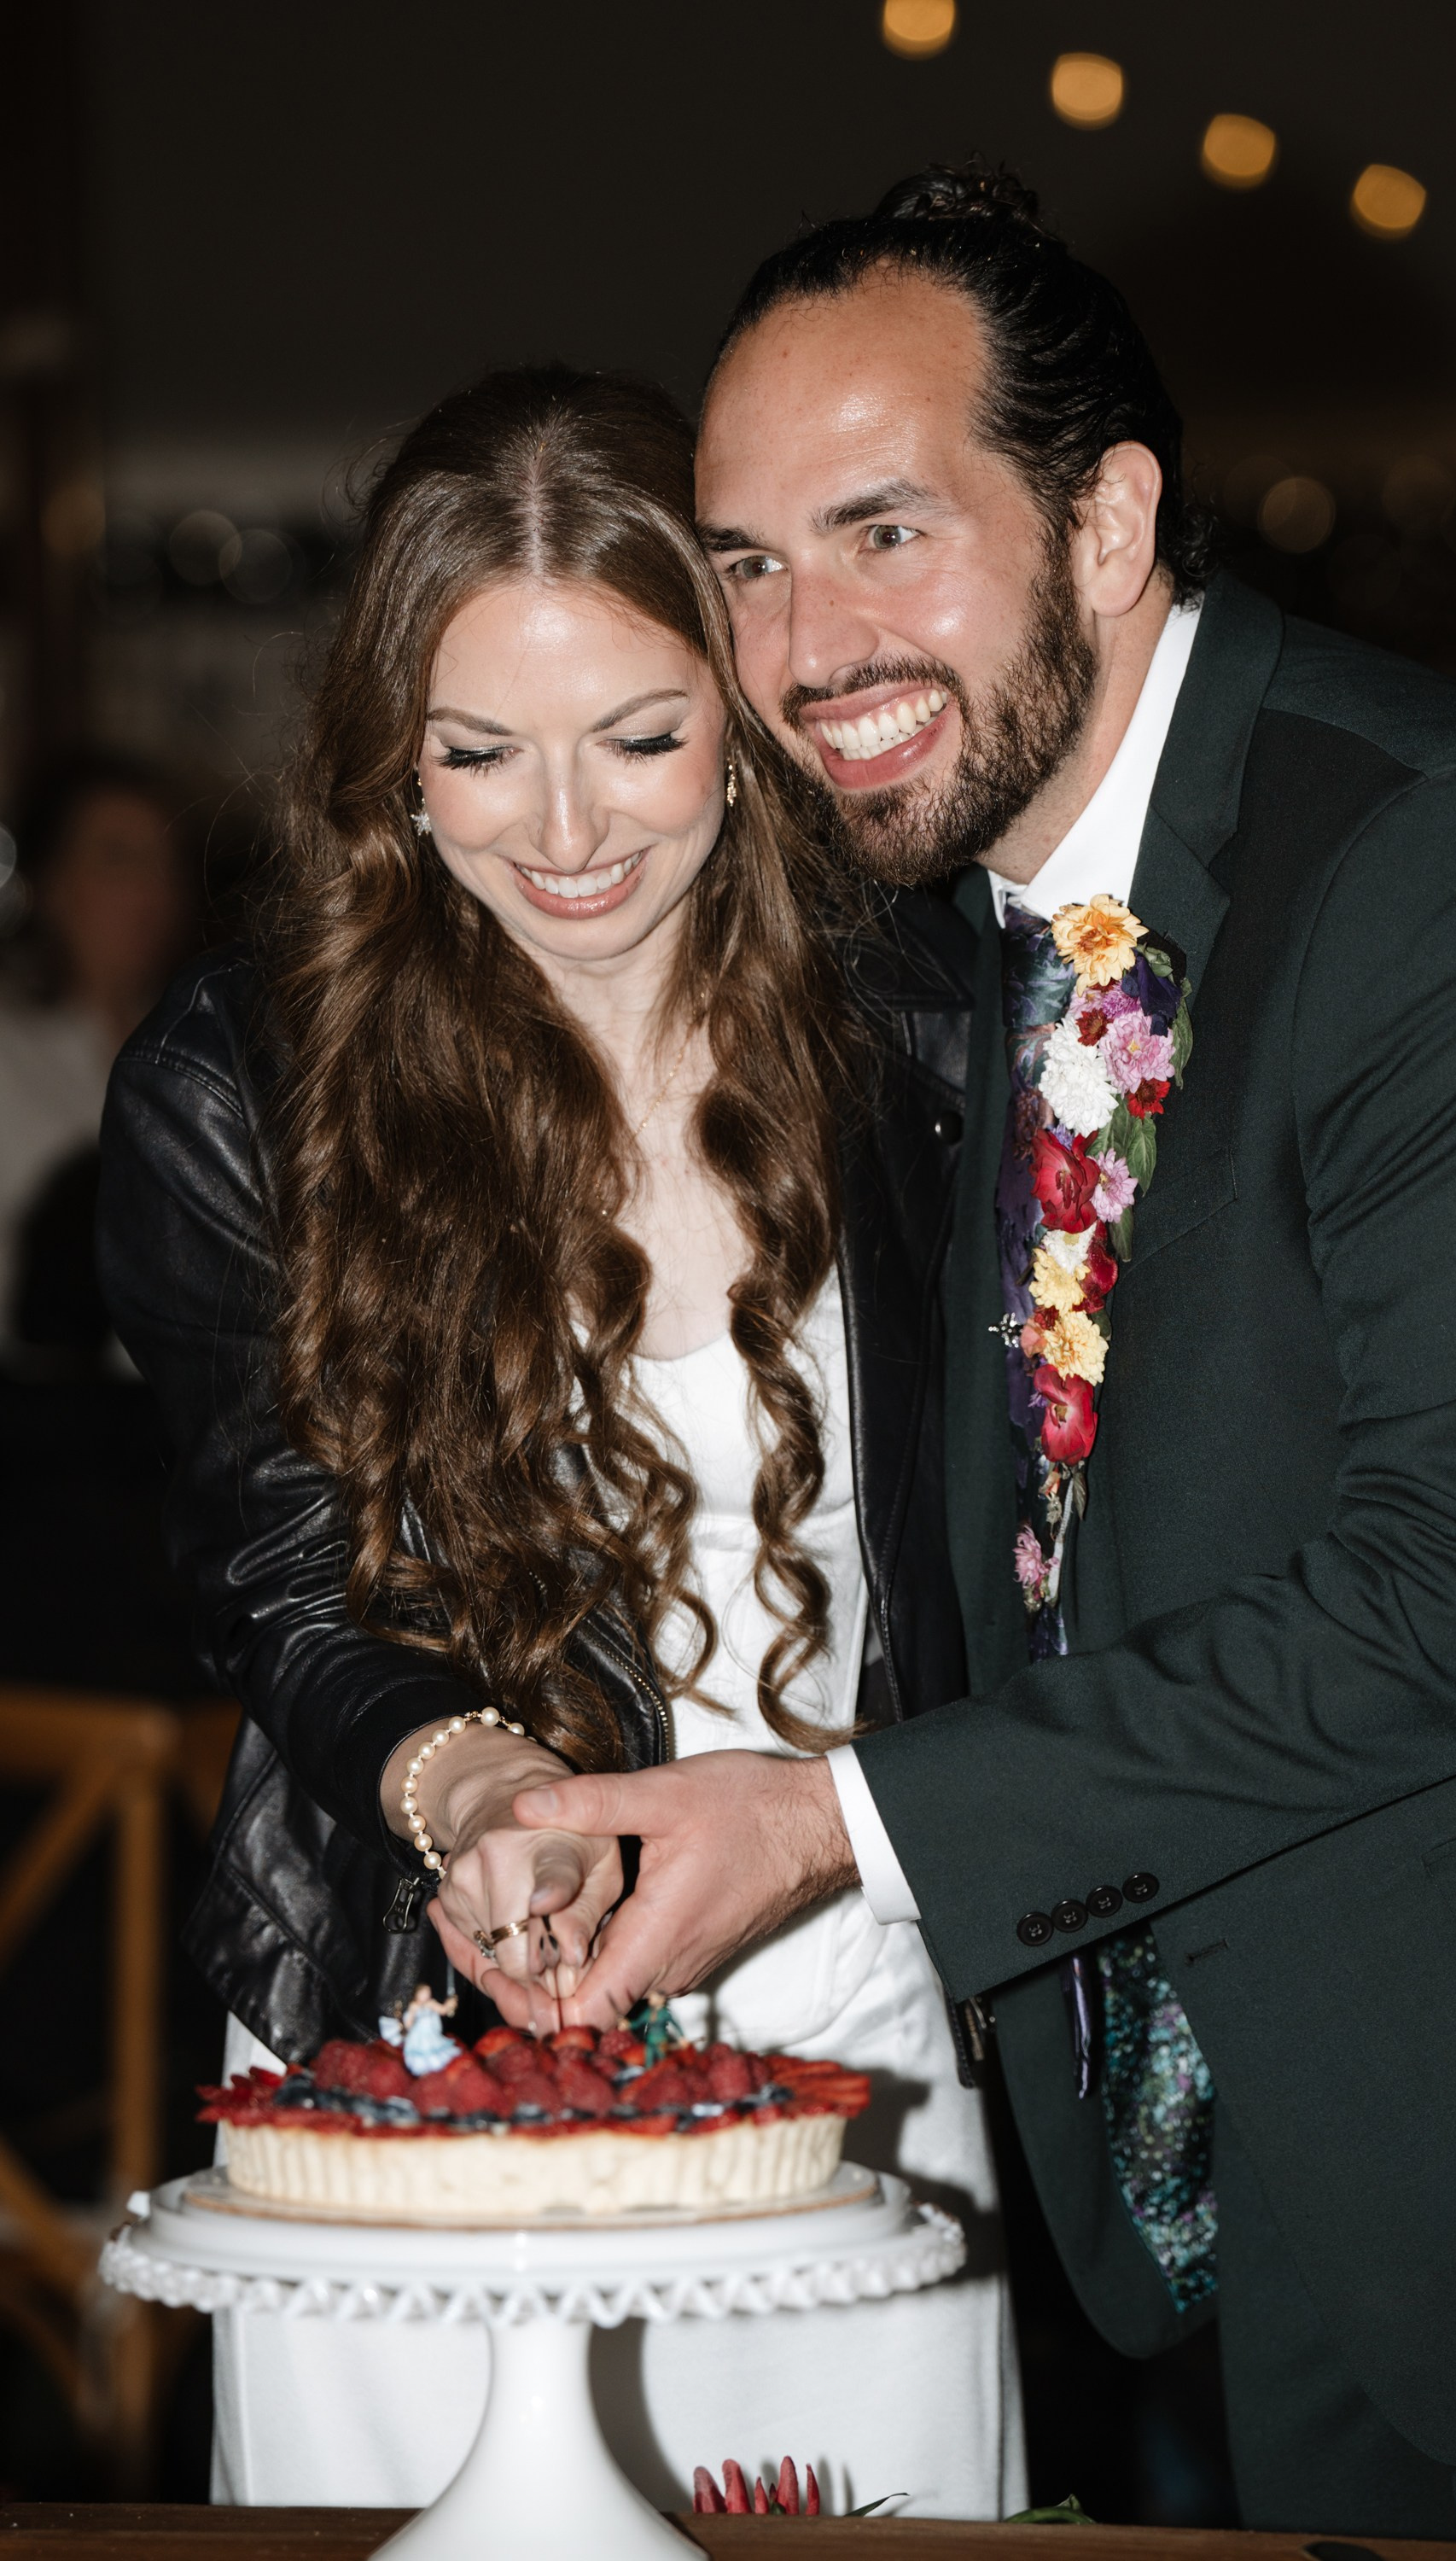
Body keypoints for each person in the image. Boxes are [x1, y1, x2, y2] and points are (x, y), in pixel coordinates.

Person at [520, 168, 1456, 2550]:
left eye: (881, 531)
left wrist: (834, 1820)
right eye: (745, 564)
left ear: (1107, 518)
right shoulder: (976, 930)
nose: (804, 642)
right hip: (1247, 2165)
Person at [96, 366, 1024, 2517]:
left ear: (747, 702)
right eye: (478, 755)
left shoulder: (924, 1028)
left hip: (851, 2014)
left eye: (639, 736)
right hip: (418, 2033)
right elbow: (280, 1568)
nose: (568, 829)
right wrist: (484, 1785)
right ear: (386, 761)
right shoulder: (245, 1079)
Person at [0, 753, 190, 1361]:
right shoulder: (11, 1056)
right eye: (118, 860)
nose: (151, 892)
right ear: (52, 884)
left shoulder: (205, 1057)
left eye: (165, 865)